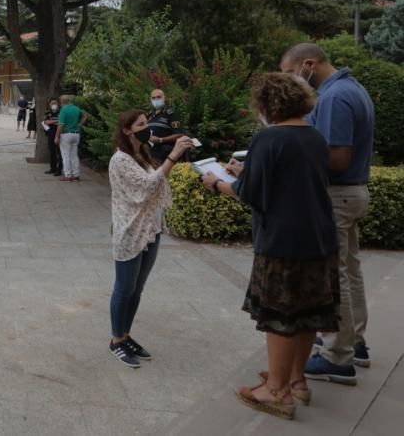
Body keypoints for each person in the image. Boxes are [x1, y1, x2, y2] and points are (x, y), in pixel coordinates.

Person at [202, 73, 338, 419]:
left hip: (282, 241)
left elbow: (251, 194)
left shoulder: (269, 138)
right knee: (308, 312)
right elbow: (292, 178)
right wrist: (248, 169)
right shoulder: (315, 137)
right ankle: (296, 379)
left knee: (280, 315)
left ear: (267, 104)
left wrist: (217, 182)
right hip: (319, 237)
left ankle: (275, 390)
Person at [280, 43, 376, 384]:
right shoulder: (353, 88)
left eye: (292, 74)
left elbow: (337, 158)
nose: (291, 82)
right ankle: (355, 342)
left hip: (337, 194)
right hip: (352, 193)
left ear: (309, 64)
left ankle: (338, 356)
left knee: (334, 276)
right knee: (350, 269)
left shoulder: (334, 98)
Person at [108, 109, 193, 369]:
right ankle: (116, 340)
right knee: (124, 288)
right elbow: (146, 188)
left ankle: (126, 335)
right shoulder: (120, 159)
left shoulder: (140, 153)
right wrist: (173, 155)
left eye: (147, 123)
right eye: (142, 124)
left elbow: (155, 182)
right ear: (127, 130)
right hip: (131, 232)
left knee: (137, 288)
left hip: (151, 229)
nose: (148, 128)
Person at [147, 89, 186, 164]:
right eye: (153, 98)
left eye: (159, 97)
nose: (156, 99)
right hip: (152, 155)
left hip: (167, 155)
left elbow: (179, 135)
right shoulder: (150, 115)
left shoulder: (171, 114)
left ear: (164, 98)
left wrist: (160, 140)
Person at [57, 94, 85, 182]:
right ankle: (76, 174)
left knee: (65, 155)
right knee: (74, 155)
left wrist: (57, 136)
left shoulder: (63, 110)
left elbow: (61, 125)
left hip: (66, 134)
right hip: (76, 134)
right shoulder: (76, 108)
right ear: (69, 100)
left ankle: (68, 175)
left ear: (61, 102)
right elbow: (85, 116)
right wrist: (80, 124)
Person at [41, 97, 62, 175]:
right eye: (52, 103)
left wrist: (51, 121)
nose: (54, 105)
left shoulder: (61, 112)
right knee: (52, 151)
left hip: (60, 133)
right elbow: (46, 122)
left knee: (59, 152)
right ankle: (52, 168)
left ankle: (59, 170)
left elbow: (62, 122)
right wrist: (55, 121)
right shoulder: (48, 112)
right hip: (51, 133)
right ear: (49, 104)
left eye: (55, 103)